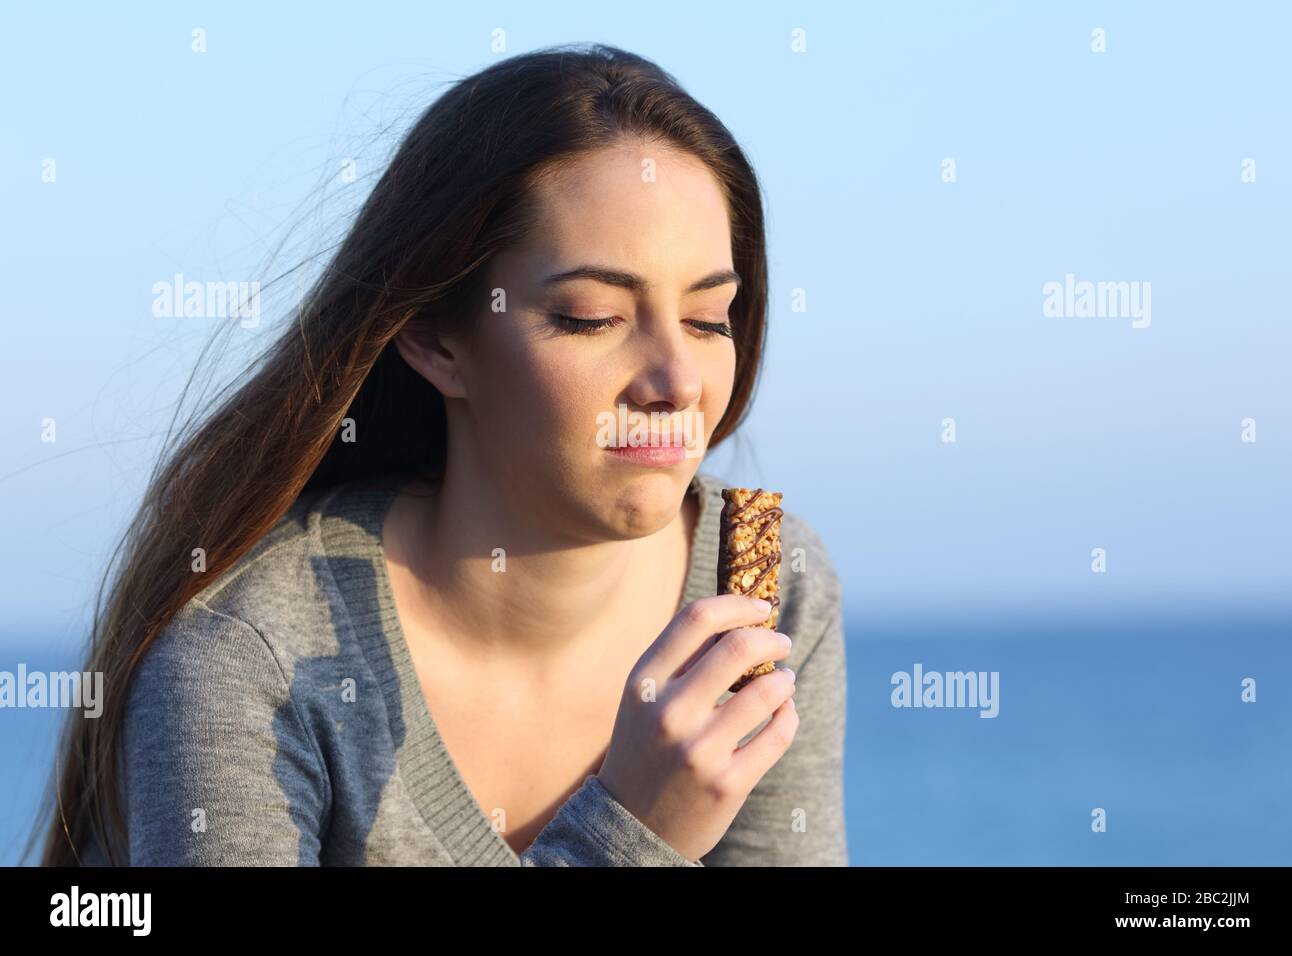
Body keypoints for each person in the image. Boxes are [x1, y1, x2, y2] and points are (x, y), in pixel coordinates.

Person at [32, 42, 848, 867]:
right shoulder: (249, 654)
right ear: (434, 336)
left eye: (710, 320)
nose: (677, 380)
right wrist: (630, 835)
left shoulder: (765, 593)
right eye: (593, 316)